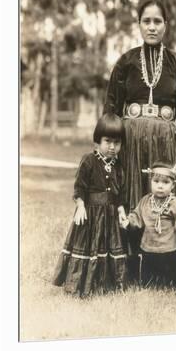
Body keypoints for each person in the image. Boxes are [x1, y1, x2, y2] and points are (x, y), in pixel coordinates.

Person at [103, 0, 176, 278]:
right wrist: (111, 142)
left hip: (166, 139)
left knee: (164, 191)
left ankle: (168, 260)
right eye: (147, 21)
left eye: (157, 21)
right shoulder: (126, 62)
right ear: (139, 24)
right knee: (134, 192)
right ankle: (131, 260)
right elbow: (111, 106)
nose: (152, 27)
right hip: (131, 140)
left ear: (166, 25)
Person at [53, 113, 128, 297]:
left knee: (108, 246)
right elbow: (79, 187)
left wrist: (120, 210)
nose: (112, 147)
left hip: (109, 216)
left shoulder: (118, 165)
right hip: (91, 214)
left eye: (117, 142)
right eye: (107, 141)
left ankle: (106, 284)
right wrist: (80, 205)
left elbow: (119, 193)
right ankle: (80, 284)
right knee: (89, 247)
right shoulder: (89, 161)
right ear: (97, 141)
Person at [121, 161, 176, 293]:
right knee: (149, 275)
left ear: (173, 185)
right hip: (149, 246)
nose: (160, 186)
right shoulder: (145, 201)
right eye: (156, 181)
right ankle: (149, 286)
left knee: (170, 275)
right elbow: (137, 216)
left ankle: (171, 288)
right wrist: (129, 222)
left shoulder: (174, 203)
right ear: (150, 182)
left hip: (169, 247)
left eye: (165, 182)